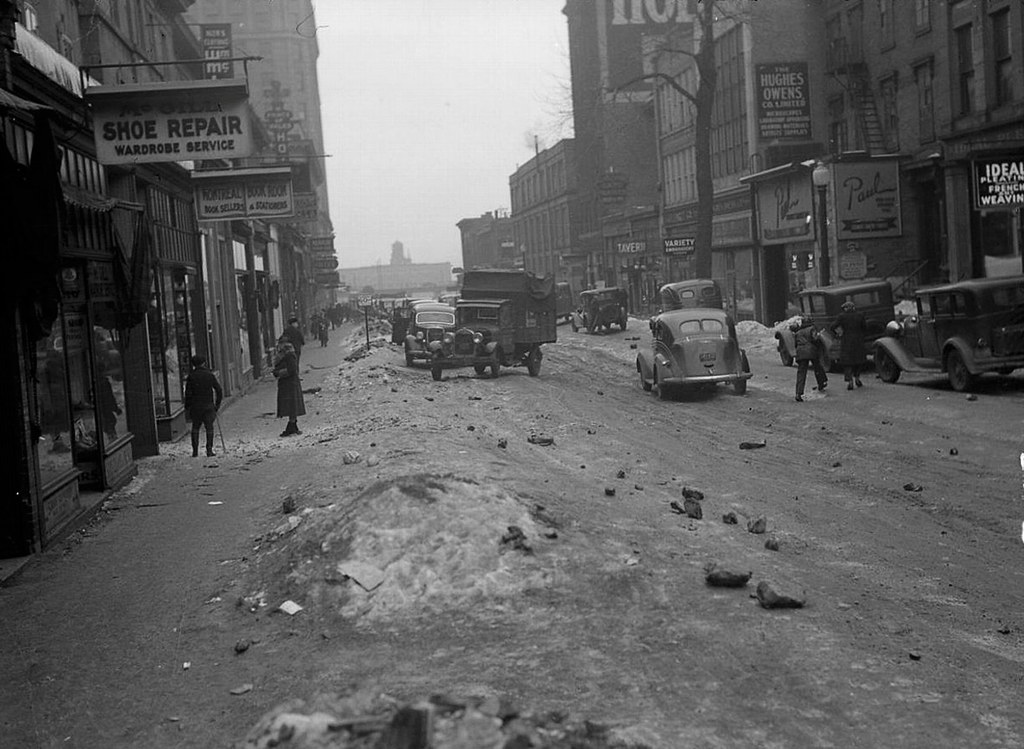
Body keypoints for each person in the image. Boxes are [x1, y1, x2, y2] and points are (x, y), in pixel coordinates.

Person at [184, 354, 223, 457]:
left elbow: (188, 393)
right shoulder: (209, 375)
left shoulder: (191, 376)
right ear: (204, 363)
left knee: (195, 427)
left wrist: (188, 406)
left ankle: (195, 451)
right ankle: (209, 450)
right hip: (208, 405)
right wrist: (217, 405)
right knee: (209, 427)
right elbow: (219, 390)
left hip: (196, 406)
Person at [831, 300, 868, 390]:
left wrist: (837, 333)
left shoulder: (842, 316)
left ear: (846, 308)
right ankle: (857, 379)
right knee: (858, 361)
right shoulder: (860, 315)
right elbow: (865, 327)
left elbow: (832, 326)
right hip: (858, 341)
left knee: (847, 363)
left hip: (846, 341)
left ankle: (850, 381)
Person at [273, 338, 305, 437]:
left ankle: (291, 426)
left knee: (291, 406)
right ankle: (293, 425)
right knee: (292, 406)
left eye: (280, 344)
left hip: (290, 384)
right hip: (288, 384)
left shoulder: (289, 355)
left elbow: (292, 370)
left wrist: (278, 373)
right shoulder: (285, 355)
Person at [792, 317, 828, 402]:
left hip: (800, 352)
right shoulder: (812, 329)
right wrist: (819, 337)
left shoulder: (798, 332)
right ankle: (821, 383)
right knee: (817, 367)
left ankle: (798, 393)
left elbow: (795, 345)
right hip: (811, 351)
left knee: (801, 372)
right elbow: (815, 339)